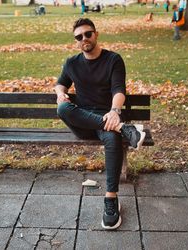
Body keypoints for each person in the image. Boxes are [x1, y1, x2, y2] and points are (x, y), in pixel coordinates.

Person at [55, 18, 146, 230]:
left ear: (96, 34)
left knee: (112, 138)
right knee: (62, 109)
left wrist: (114, 112)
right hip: (84, 122)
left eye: (88, 34)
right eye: (79, 37)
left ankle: (111, 198)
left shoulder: (113, 60)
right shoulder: (71, 63)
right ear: (76, 41)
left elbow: (118, 90)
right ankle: (124, 129)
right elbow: (60, 84)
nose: (84, 39)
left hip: (106, 118)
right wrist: (60, 93)